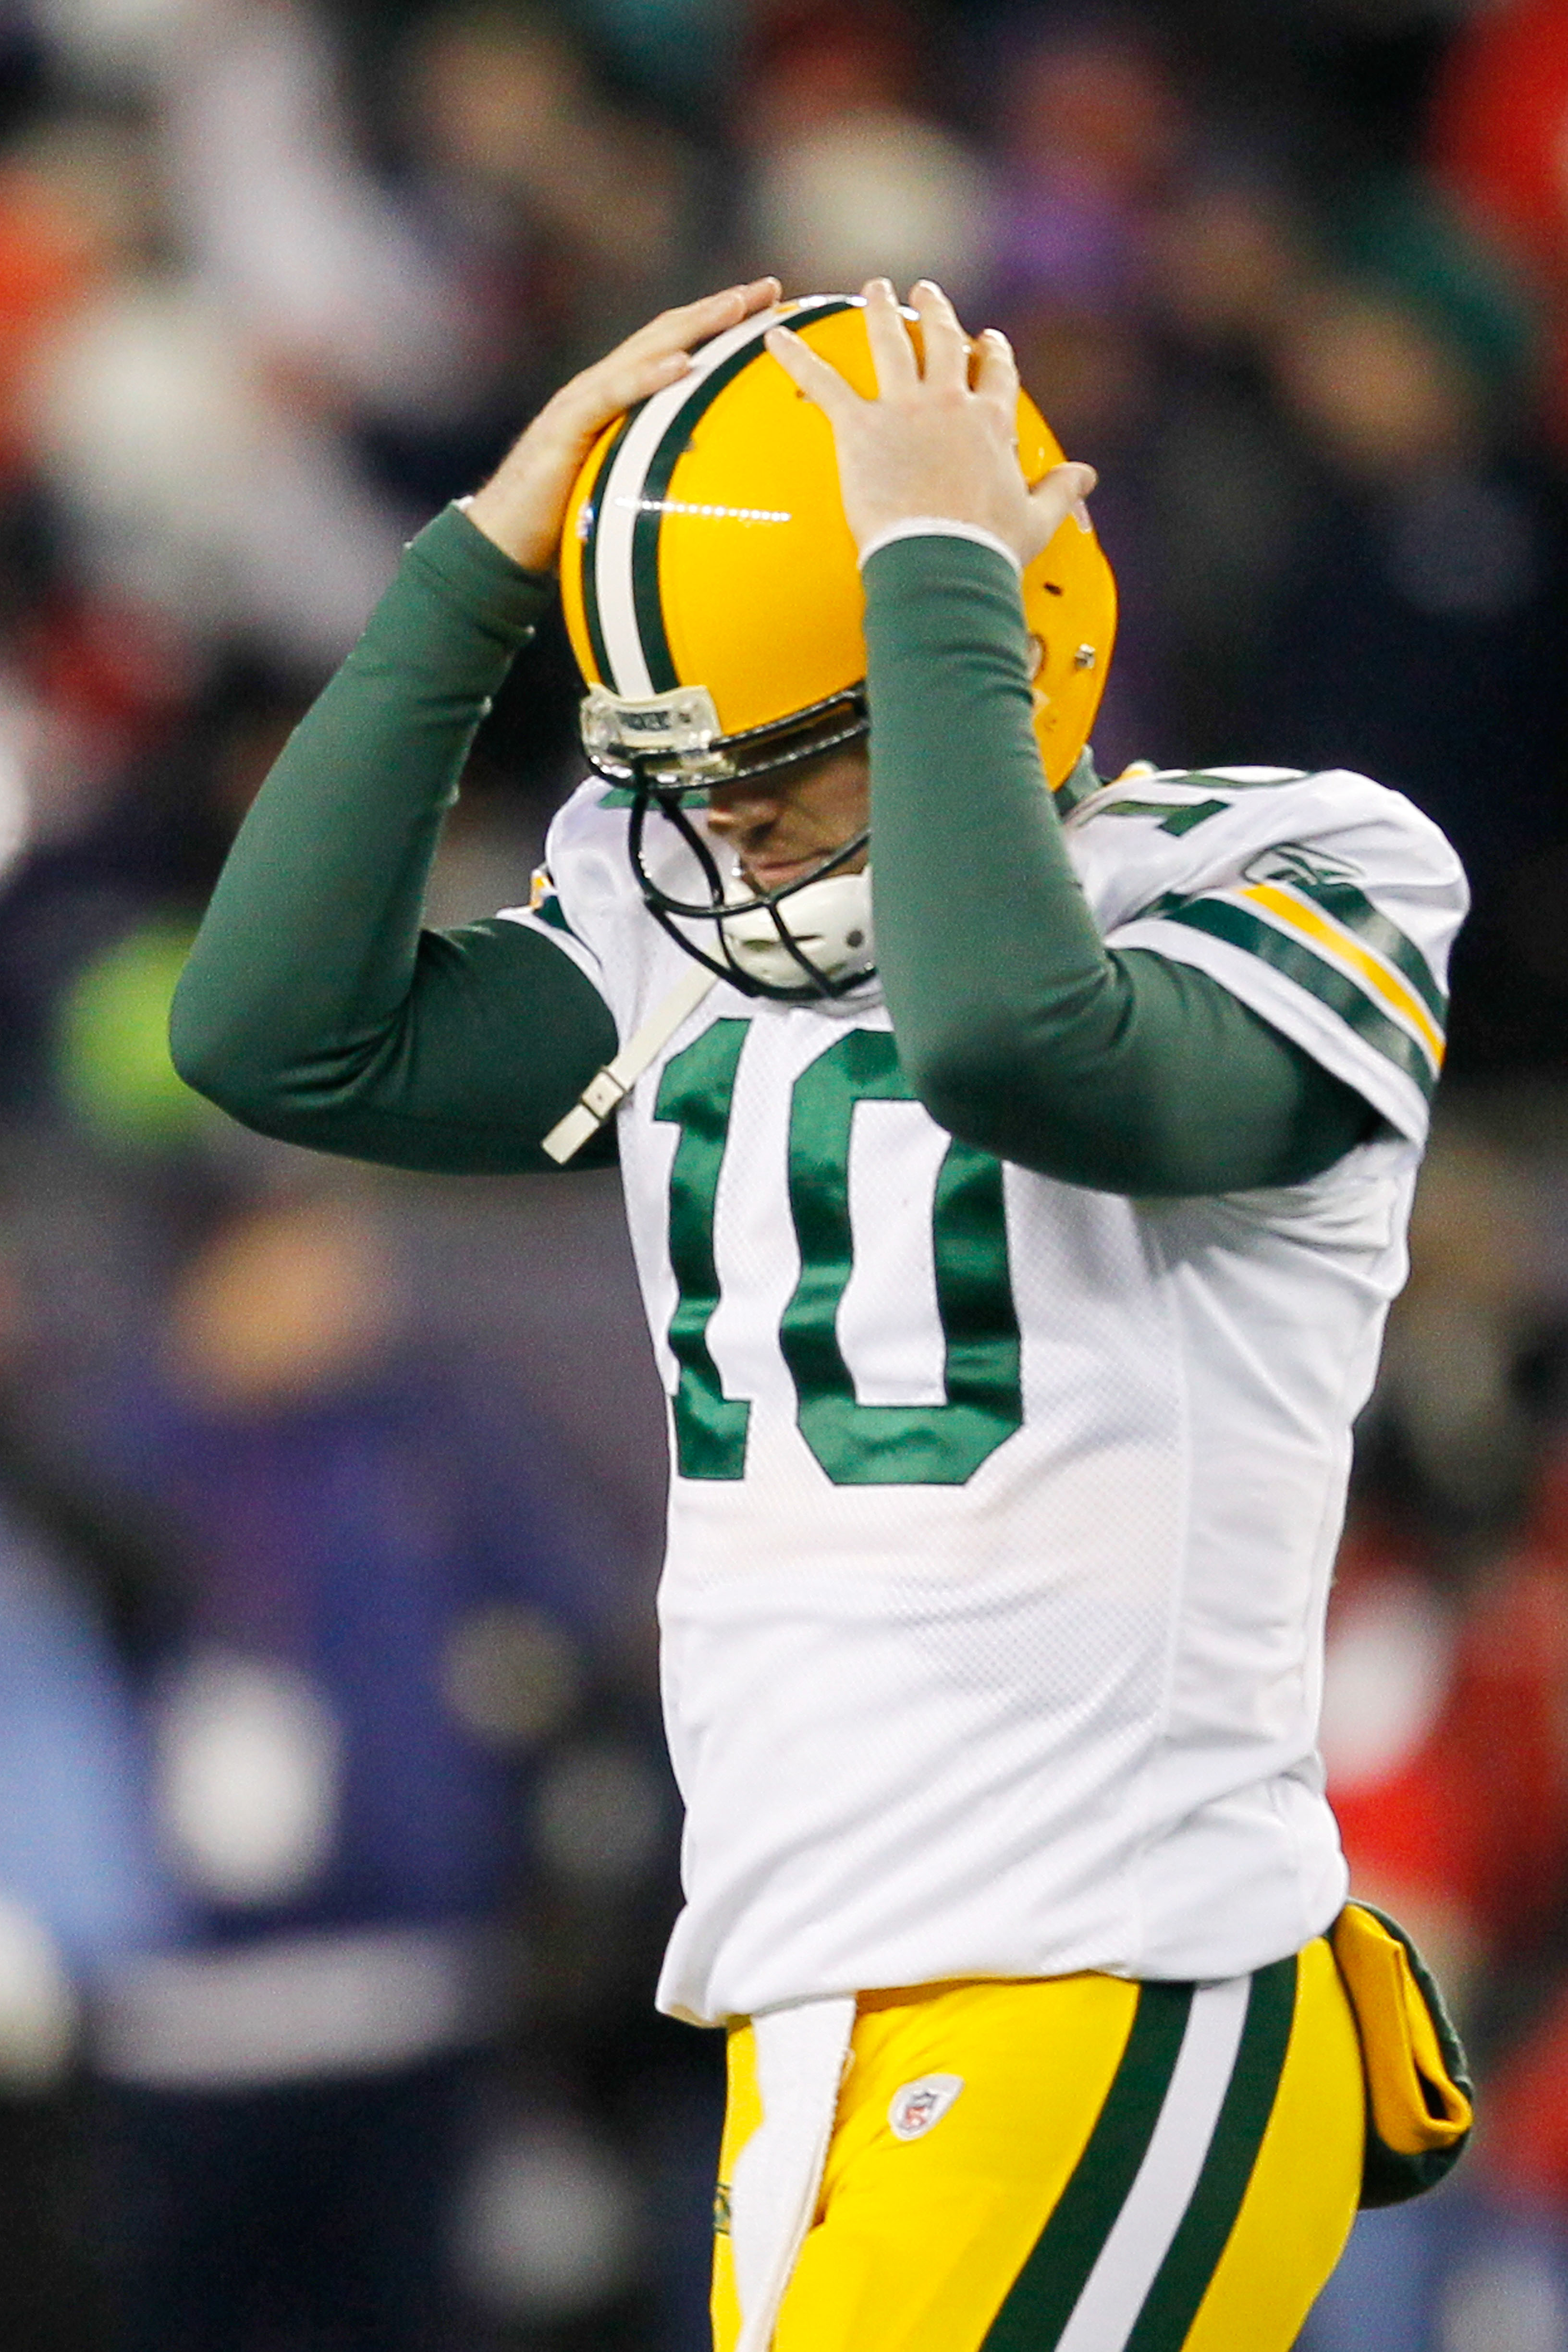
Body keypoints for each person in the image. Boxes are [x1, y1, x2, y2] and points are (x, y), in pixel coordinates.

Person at [170, 275, 1475, 2352]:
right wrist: (478, 576)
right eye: (684, 780)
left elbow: (1016, 1044)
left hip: (1106, 1969)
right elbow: (272, 1041)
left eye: (773, 766)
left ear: (997, 654)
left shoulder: (1292, 873)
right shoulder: (694, 927)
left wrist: (937, 573)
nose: (718, 830)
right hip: (815, 1988)